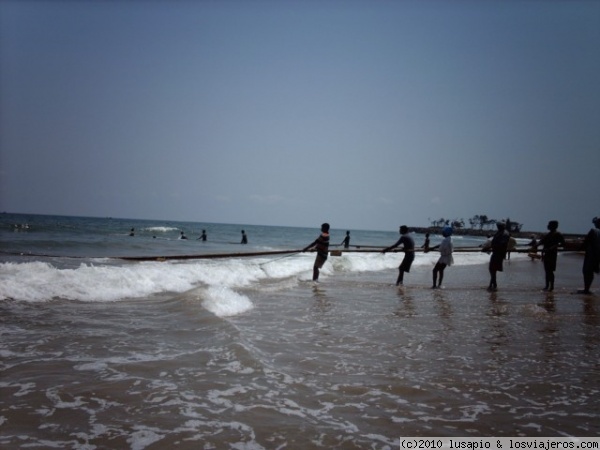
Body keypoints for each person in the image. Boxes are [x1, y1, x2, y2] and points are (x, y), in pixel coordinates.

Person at [538, 220, 565, 291]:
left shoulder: (558, 234)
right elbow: (541, 241)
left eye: (549, 224)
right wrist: (534, 246)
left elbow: (562, 243)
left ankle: (551, 286)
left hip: (552, 254)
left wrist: (553, 247)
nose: (548, 226)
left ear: (553, 226)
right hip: (546, 254)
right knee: (546, 270)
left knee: (550, 271)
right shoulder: (548, 234)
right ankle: (547, 286)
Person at [484, 221, 510, 291]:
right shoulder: (499, 232)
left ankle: (492, 285)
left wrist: (490, 248)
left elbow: (501, 244)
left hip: (499, 253)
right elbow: (494, 242)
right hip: (496, 252)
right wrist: (489, 247)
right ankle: (493, 284)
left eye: (499, 226)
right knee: (492, 269)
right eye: (497, 226)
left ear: (503, 226)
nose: (498, 227)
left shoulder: (505, 233)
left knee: (493, 268)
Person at [579, 216, 600, 295]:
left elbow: (586, 241)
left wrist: (580, 248)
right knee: (592, 271)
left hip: (591, 254)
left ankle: (586, 289)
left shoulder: (593, 231)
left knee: (587, 272)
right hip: (598, 255)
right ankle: (587, 289)